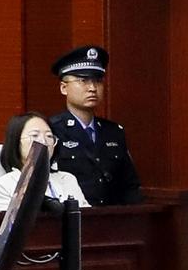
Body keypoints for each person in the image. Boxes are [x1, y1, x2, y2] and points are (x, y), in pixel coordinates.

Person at [48, 46, 142, 206]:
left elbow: (129, 186)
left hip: (111, 216)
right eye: (83, 81)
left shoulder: (113, 131)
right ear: (64, 88)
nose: (92, 88)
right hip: (72, 216)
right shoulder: (52, 130)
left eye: (97, 81)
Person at [0, 112, 91, 212]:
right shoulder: (2, 187)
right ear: (16, 142)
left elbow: (88, 219)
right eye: (34, 135)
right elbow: (7, 224)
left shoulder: (68, 179)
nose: (44, 141)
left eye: (49, 136)